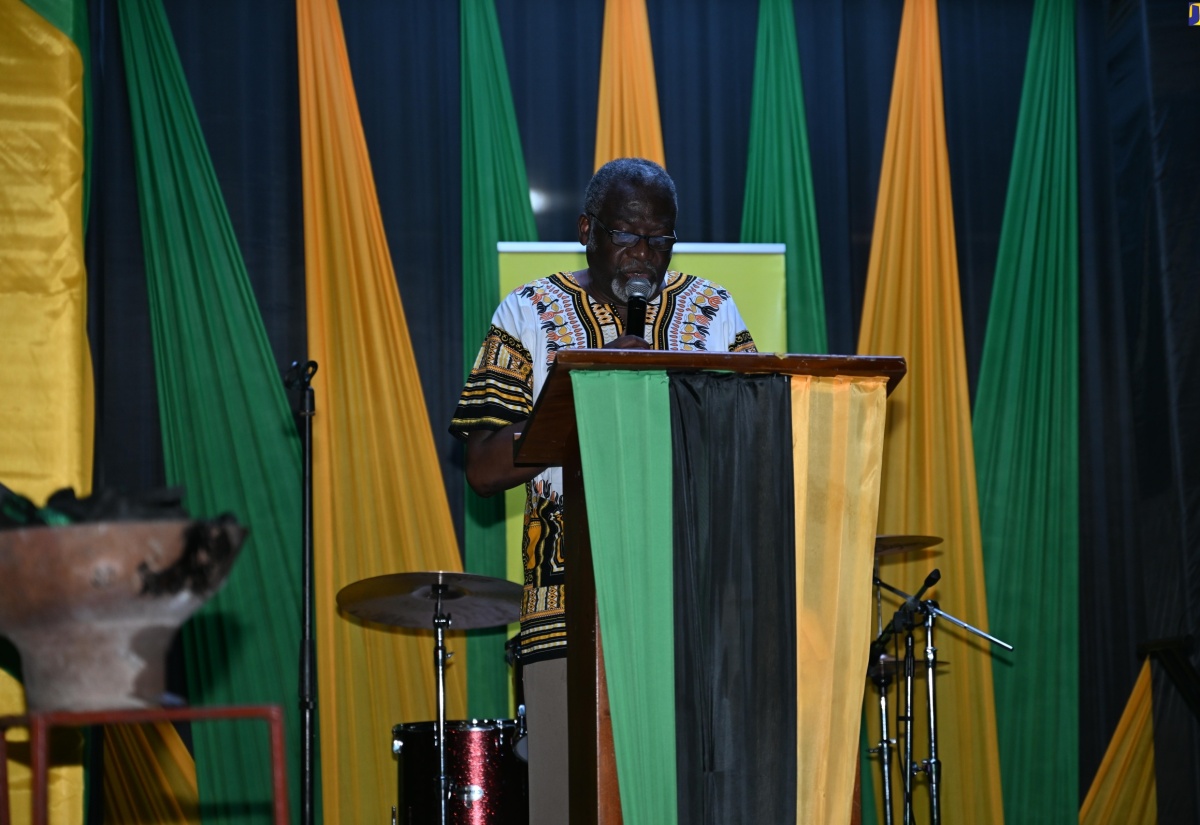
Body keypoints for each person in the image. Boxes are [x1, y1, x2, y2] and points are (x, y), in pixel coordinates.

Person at [449, 157, 756, 823]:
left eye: (661, 239)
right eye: (627, 234)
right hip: (568, 614)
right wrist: (590, 387)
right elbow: (483, 466)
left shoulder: (712, 311)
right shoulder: (528, 312)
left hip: (687, 617)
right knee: (569, 804)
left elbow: (748, 448)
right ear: (587, 228)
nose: (645, 254)